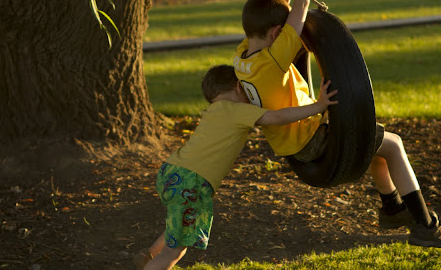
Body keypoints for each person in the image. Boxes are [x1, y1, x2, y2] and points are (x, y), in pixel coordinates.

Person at [233, 0, 441, 248]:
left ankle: (392, 208)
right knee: (394, 145)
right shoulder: (274, 58)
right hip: (311, 142)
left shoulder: (243, 54)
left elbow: (280, 3)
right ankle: (426, 227)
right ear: (275, 34)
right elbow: (301, 5)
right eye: (282, 32)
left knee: (375, 143)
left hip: (290, 143)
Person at [134, 64, 338, 269]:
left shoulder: (212, 111)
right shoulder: (237, 110)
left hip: (170, 172)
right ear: (239, 87)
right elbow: (278, 117)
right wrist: (318, 106)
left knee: (181, 220)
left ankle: (149, 255)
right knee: (175, 251)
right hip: (191, 182)